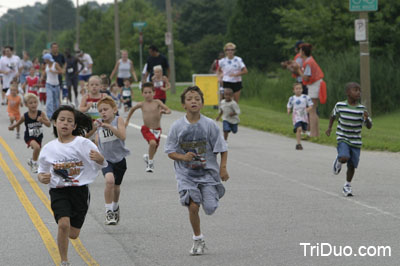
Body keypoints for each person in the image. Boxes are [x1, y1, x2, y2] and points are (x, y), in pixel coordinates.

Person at [38, 105, 107, 266]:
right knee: (63, 224)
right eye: (62, 120)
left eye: (70, 121)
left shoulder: (83, 143)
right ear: (55, 123)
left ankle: (66, 238)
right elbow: (41, 173)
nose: (65, 123)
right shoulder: (48, 149)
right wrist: (43, 178)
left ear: (74, 126)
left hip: (80, 191)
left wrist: (100, 158)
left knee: (74, 234)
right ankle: (64, 261)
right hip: (59, 190)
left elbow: (102, 163)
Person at [164, 86, 229, 255]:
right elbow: (170, 152)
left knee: (210, 207)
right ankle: (197, 239)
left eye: (197, 99)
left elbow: (222, 147)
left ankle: (211, 192)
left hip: (207, 173)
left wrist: (223, 168)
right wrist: (183, 157)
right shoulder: (177, 126)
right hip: (186, 174)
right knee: (193, 206)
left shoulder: (209, 125)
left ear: (202, 103)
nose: (194, 101)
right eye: (190, 99)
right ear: (183, 104)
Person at [326, 82, 372, 197]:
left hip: (356, 140)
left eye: (359, 90)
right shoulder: (340, 105)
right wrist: (329, 128)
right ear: (347, 93)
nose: (358, 93)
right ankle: (339, 159)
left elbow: (369, 126)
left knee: (352, 165)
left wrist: (366, 120)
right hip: (343, 137)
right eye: (355, 90)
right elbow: (333, 116)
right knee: (345, 157)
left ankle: (347, 185)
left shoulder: (362, 109)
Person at [95, 96, 130, 225]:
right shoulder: (98, 123)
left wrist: (109, 126)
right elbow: (92, 137)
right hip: (105, 159)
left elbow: (122, 136)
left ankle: (115, 206)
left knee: (116, 187)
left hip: (120, 159)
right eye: (100, 110)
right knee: (109, 181)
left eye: (105, 109)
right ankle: (109, 211)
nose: (103, 112)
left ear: (114, 110)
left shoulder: (118, 120)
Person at [125, 82, 171, 172]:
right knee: (152, 144)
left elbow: (168, 109)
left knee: (154, 148)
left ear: (154, 93)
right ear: (142, 94)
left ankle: (148, 158)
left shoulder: (157, 102)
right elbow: (132, 109)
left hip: (157, 130)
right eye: (145, 93)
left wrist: (165, 112)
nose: (148, 95)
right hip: (146, 129)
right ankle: (150, 164)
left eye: (150, 92)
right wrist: (127, 120)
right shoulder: (141, 104)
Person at [8, 93, 51, 173]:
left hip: (39, 136)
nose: (33, 104)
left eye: (35, 102)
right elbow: (18, 123)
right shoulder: (25, 116)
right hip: (29, 136)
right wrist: (12, 127)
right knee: (37, 147)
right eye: (31, 103)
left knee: (37, 150)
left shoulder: (41, 114)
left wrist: (42, 121)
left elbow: (49, 124)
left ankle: (32, 160)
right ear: (26, 105)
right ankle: (34, 164)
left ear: (37, 103)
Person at [295, 43, 324, 137]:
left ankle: (313, 134)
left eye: (300, 51)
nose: (299, 52)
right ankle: (316, 134)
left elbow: (306, 77)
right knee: (314, 110)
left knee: (312, 110)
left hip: (314, 85)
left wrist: (298, 70)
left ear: (303, 52)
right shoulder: (310, 60)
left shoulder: (308, 62)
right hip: (315, 84)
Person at [286, 83, 313, 150]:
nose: (298, 90)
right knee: (299, 129)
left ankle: (299, 128)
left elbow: (311, 105)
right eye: (296, 89)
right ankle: (298, 144)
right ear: (294, 90)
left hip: (304, 115)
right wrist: (289, 110)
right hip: (296, 114)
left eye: (300, 88)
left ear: (302, 89)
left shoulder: (305, 97)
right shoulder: (292, 98)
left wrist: (307, 109)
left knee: (304, 129)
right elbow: (289, 105)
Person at [41, 53, 63, 119]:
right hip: (48, 85)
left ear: (48, 59)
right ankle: (50, 116)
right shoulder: (46, 65)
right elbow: (44, 72)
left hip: (56, 85)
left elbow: (61, 71)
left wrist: (54, 71)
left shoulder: (55, 64)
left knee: (56, 102)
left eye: (45, 59)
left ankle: (56, 114)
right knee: (49, 101)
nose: (44, 60)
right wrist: (42, 77)